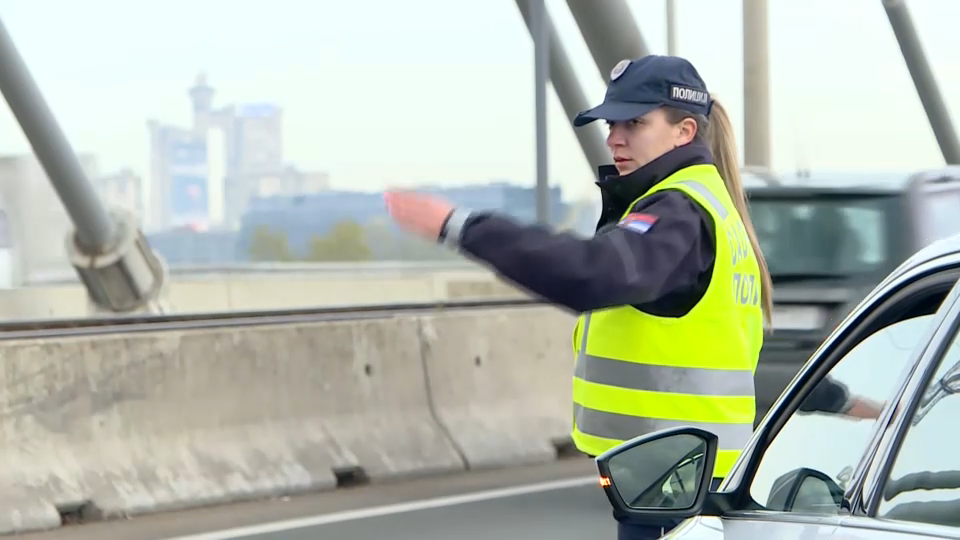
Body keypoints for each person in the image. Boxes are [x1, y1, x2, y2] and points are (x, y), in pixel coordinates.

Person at [383, 54, 874, 539]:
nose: (615, 137)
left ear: (684, 132)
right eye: (611, 123)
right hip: (684, 475)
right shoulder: (712, 206)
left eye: (634, 122)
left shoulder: (680, 212)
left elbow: (592, 273)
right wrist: (833, 397)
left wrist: (462, 227)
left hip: (673, 481)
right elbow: (726, 347)